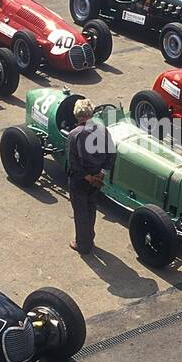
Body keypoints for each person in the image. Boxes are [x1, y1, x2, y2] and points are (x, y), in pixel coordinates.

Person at [65, 98, 114, 254]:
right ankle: (90, 239)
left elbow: (73, 162)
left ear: (76, 115)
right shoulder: (102, 130)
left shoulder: (74, 135)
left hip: (80, 180)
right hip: (97, 178)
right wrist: (101, 173)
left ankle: (82, 244)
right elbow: (112, 153)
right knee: (91, 207)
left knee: (80, 211)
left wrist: (87, 177)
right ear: (91, 113)